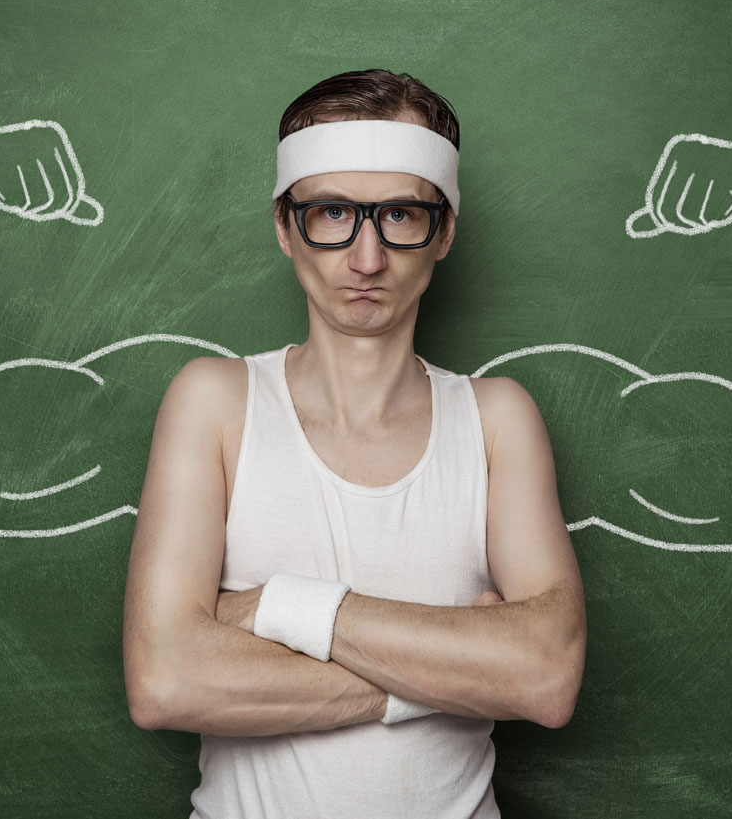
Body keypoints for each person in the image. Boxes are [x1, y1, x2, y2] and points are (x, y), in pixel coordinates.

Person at [122, 69, 586, 818]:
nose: (366, 257)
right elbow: (166, 679)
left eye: (400, 214)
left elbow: (546, 675)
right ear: (284, 223)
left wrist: (277, 605)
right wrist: (455, 670)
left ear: (444, 230)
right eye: (333, 211)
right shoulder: (215, 403)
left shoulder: (497, 420)